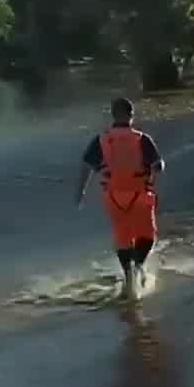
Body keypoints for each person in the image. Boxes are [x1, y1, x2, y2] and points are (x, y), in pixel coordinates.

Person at [75, 98, 165, 298]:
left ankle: (128, 275)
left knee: (122, 237)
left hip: (114, 199)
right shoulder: (142, 139)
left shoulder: (101, 140)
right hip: (140, 196)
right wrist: (155, 168)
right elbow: (158, 166)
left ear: (113, 115)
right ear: (131, 115)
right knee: (147, 236)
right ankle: (139, 266)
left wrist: (80, 192)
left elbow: (85, 167)